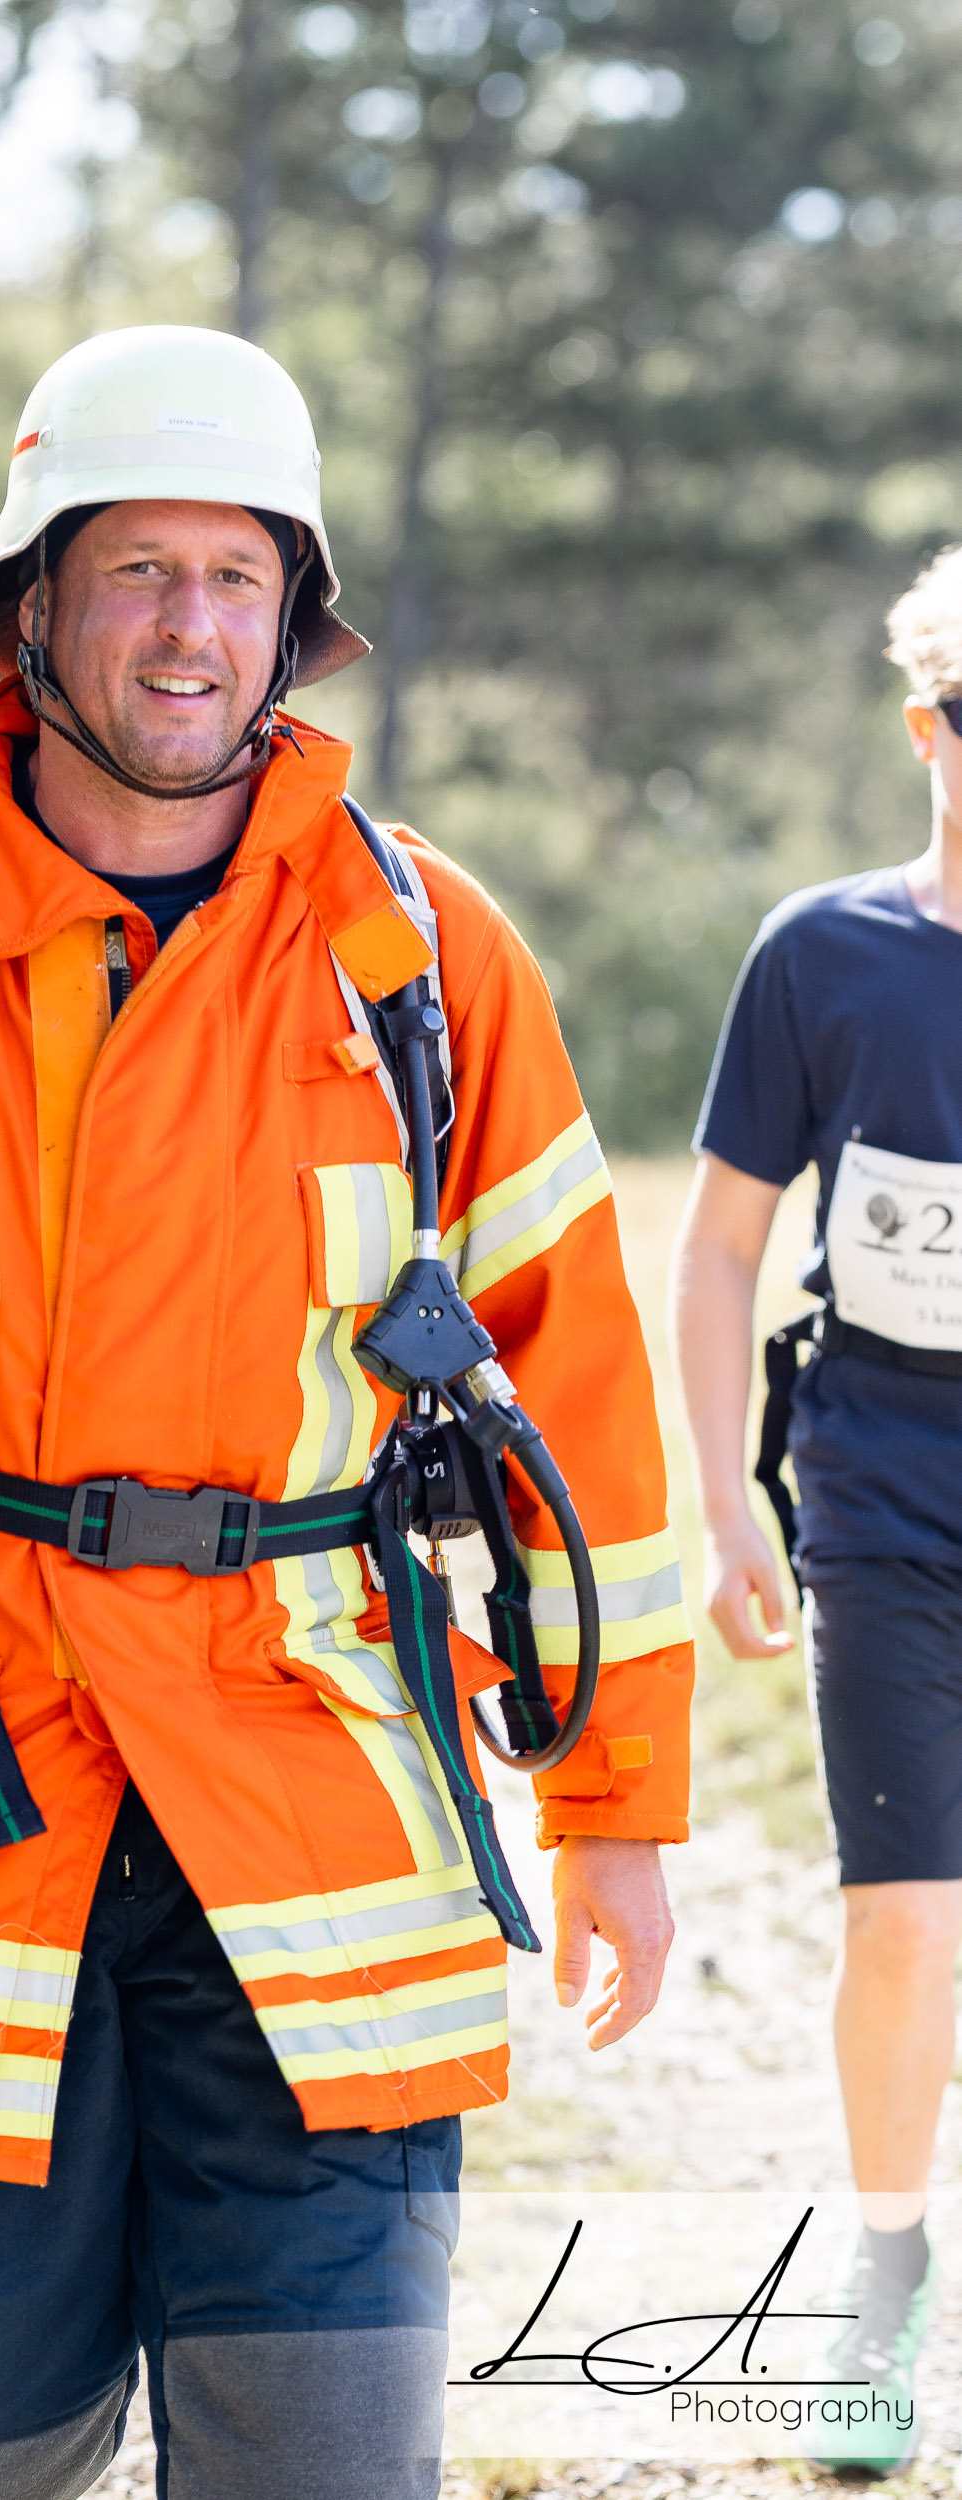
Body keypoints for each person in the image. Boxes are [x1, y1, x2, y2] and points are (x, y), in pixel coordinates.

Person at [0, 324, 690, 2500]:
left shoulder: (419, 950)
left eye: (236, 576)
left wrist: (619, 1804)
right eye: (137, 571)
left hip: (317, 1800)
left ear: (292, 621)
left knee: (323, 2466)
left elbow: (573, 1381)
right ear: (31, 606)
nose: (190, 626)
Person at [670, 544, 962, 2476]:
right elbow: (716, 1253)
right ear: (931, 727)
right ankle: (884, 2271)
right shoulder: (825, 955)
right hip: (882, 1494)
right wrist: (728, 1509)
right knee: (909, 1923)